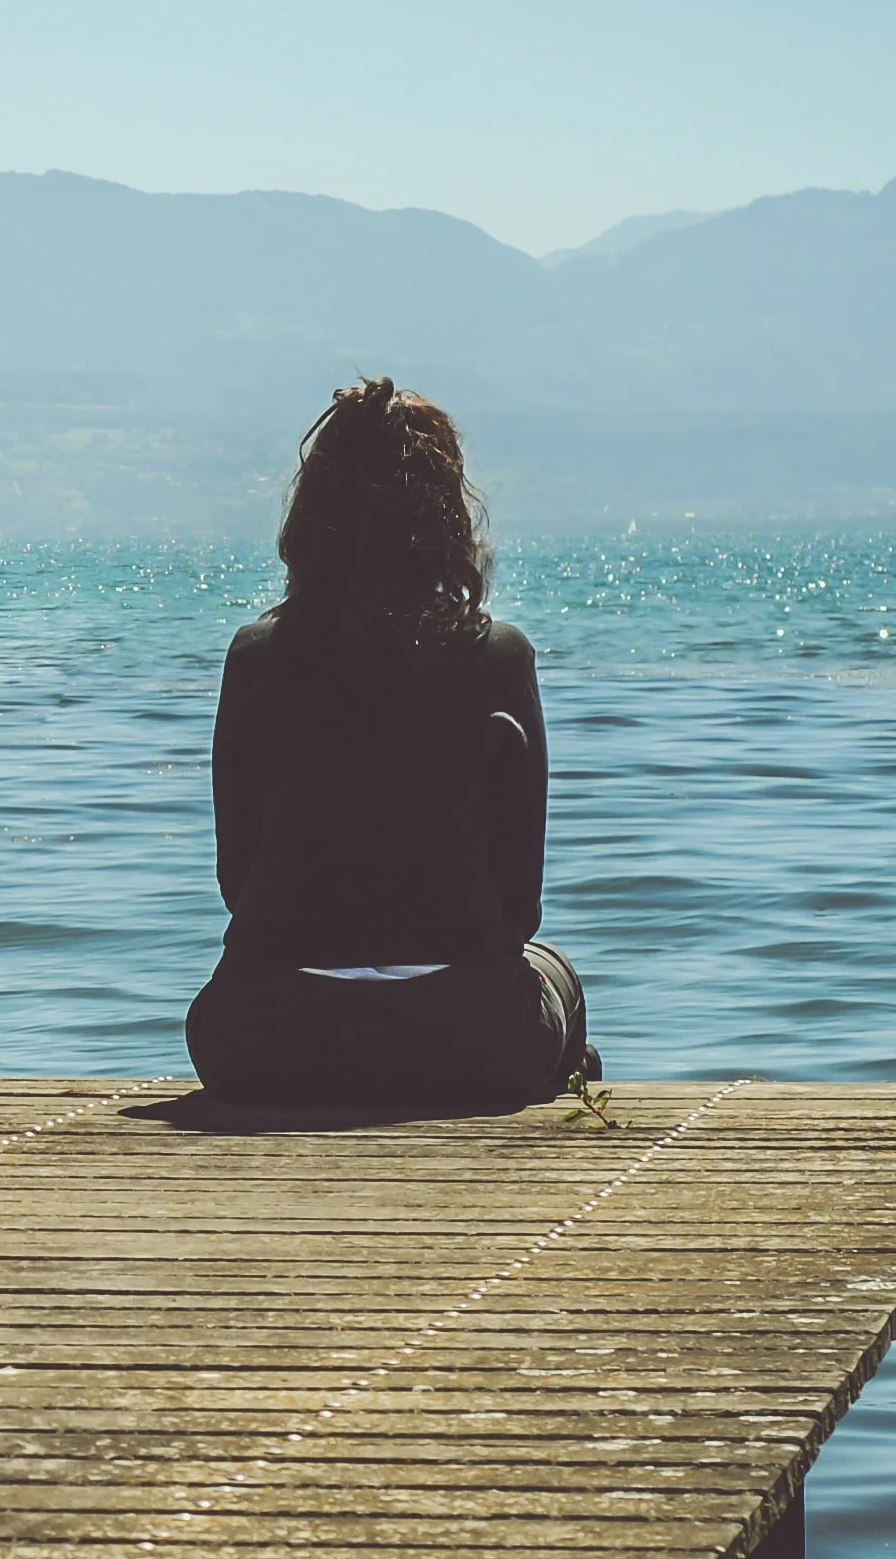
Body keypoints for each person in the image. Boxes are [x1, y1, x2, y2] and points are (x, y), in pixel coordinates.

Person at [186, 378, 597, 1111]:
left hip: (265, 1038)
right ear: (446, 519)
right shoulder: (498, 657)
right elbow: (520, 907)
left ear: (310, 516)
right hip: (468, 1038)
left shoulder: (257, 658)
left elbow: (235, 880)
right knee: (554, 969)